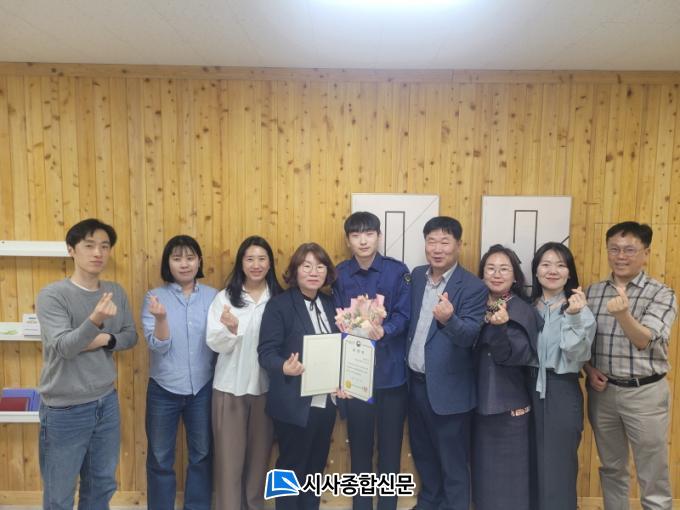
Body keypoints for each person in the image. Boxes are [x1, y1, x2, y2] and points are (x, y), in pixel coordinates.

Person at [36, 218, 138, 510]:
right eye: (89, 245)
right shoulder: (52, 295)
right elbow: (65, 347)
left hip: (106, 402)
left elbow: (130, 336)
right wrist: (96, 320)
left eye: (104, 246)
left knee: (101, 486)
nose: (98, 253)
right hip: (65, 408)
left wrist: (103, 338)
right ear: (71, 250)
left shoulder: (115, 291)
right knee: (59, 494)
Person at [584, 222, 677, 510]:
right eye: (614, 249)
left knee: (652, 471)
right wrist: (588, 369)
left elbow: (644, 340)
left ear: (645, 253)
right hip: (603, 394)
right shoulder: (593, 292)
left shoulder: (662, 294)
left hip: (645, 394)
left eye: (629, 250)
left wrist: (623, 314)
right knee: (612, 468)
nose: (620, 256)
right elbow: (582, 342)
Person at [405, 216, 487, 510]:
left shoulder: (473, 287)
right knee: (424, 454)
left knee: (453, 463)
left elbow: (470, 337)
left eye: (445, 241)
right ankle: (428, 503)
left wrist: (449, 319)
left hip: (450, 392)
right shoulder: (416, 277)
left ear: (458, 245)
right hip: (415, 385)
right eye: (432, 241)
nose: (437, 248)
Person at [332, 212, 411, 510]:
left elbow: (404, 314)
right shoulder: (339, 274)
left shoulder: (397, 271)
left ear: (379, 236)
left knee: (390, 451)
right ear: (348, 240)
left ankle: (388, 506)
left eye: (369, 234)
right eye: (355, 235)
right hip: (356, 378)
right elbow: (335, 320)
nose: (363, 241)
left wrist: (385, 330)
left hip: (391, 376)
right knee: (360, 450)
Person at [258, 242, 343, 510]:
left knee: (315, 469)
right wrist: (284, 366)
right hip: (293, 401)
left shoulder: (331, 304)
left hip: (326, 402)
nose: (313, 272)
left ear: (327, 272)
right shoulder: (279, 305)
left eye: (320, 266)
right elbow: (266, 353)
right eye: (306, 266)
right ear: (295, 271)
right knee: (289, 466)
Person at [141, 235, 217, 510]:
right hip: (163, 389)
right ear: (168, 263)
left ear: (199, 261)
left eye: (190, 258)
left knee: (202, 454)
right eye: (177, 258)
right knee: (160, 457)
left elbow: (219, 340)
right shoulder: (154, 297)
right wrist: (161, 318)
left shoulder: (213, 296)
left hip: (203, 388)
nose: (184, 264)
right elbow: (158, 346)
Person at [207, 236, 283, 510]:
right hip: (230, 390)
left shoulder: (279, 299)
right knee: (229, 465)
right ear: (241, 263)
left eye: (262, 259)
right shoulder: (225, 298)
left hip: (266, 391)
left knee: (258, 464)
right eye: (250, 259)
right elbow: (213, 342)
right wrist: (230, 330)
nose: (256, 265)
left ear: (270, 263)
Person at [471, 244, 540, 510]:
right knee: (484, 480)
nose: (497, 274)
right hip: (478, 405)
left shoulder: (521, 310)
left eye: (504, 269)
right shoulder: (475, 305)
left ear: (515, 277)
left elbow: (515, 356)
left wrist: (500, 329)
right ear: (482, 274)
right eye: (491, 268)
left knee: (511, 482)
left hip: (509, 407)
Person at [528, 242, 595, 510]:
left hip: (561, 388)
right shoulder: (528, 306)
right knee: (529, 460)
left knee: (559, 464)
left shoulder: (580, 309)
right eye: (545, 264)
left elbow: (577, 353)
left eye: (560, 265)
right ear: (536, 271)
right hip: (526, 387)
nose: (552, 270)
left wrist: (574, 316)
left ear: (569, 273)